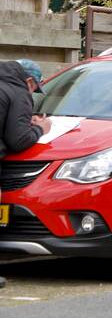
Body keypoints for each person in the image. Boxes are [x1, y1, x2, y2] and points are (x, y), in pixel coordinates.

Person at [0, 59, 50, 290]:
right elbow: (18, 140)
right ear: (29, 81)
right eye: (34, 88)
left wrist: (22, 121)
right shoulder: (19, 91)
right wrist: (41, 128)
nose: (33, 92)